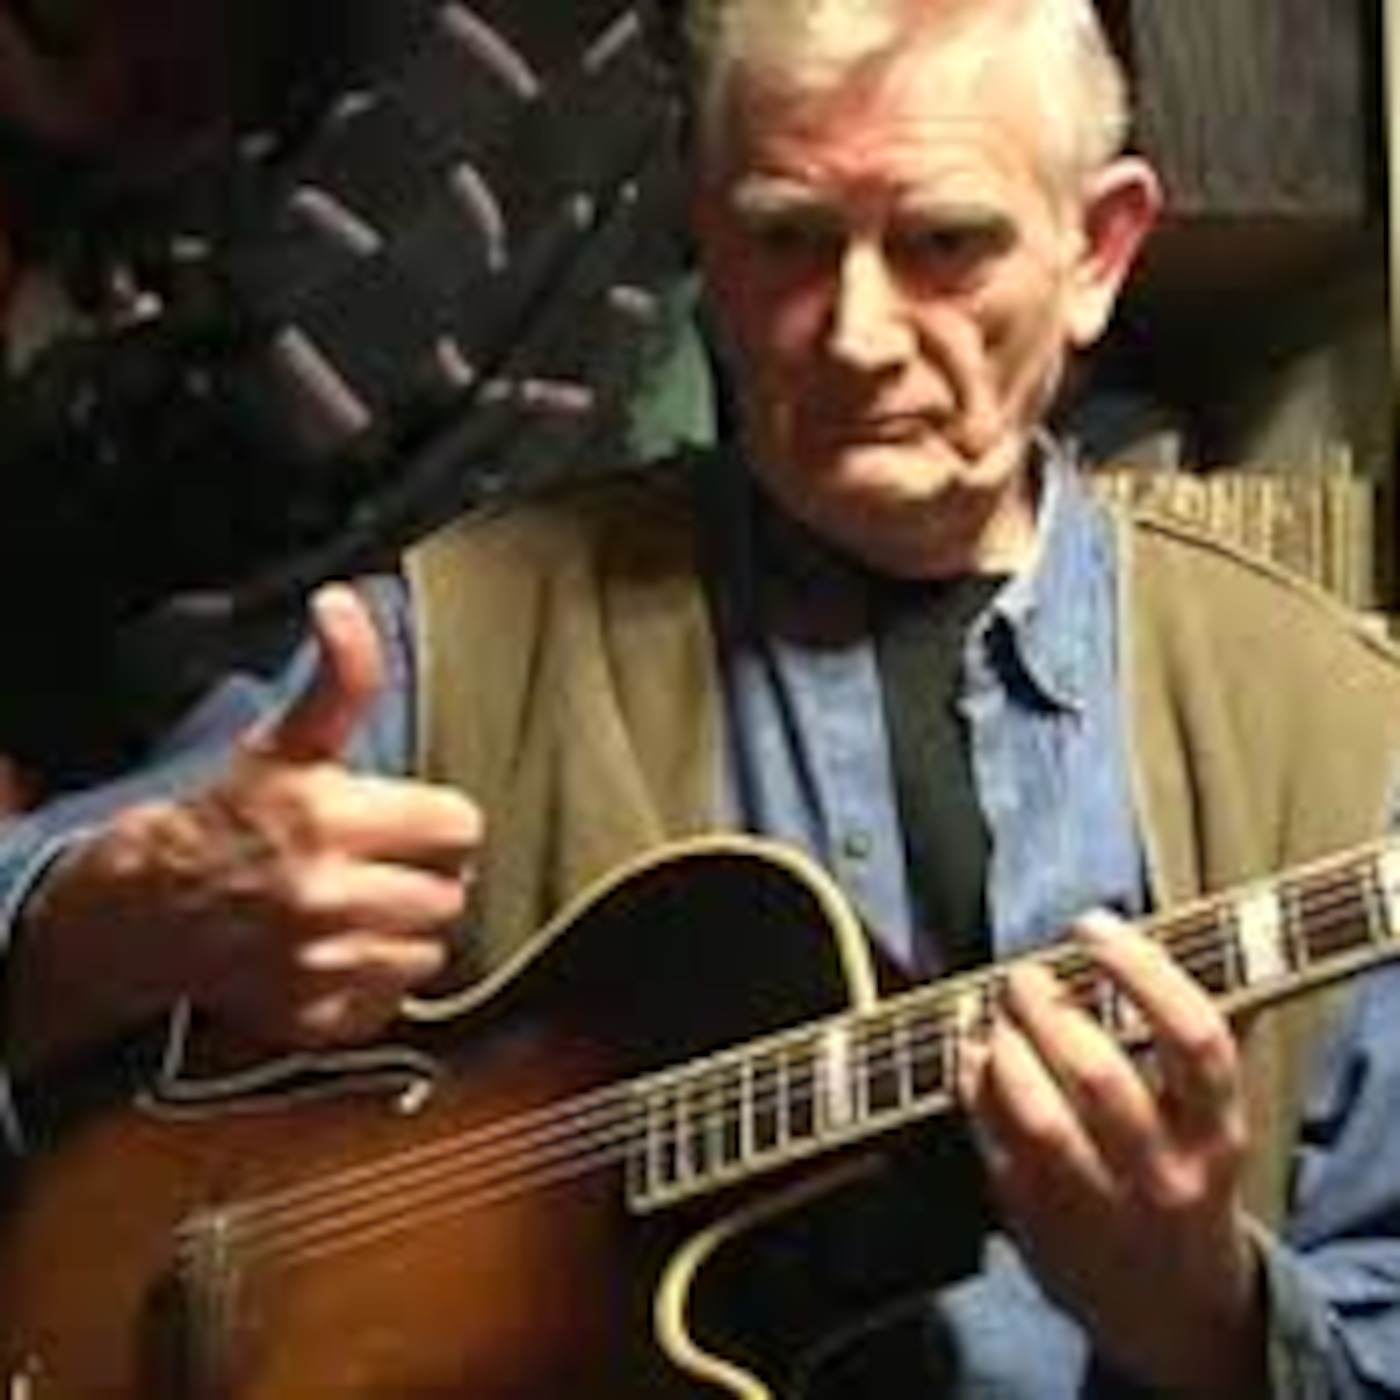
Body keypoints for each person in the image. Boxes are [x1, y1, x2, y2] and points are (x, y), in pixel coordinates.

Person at [4, 0, 1400, 1394]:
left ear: (1097, 251)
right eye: (789, 238)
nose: (857, 334)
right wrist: (116, 914)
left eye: (944, 243)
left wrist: (1210, 1316)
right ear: (706, 243)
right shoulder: (461, 634)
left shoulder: (1340, 732)